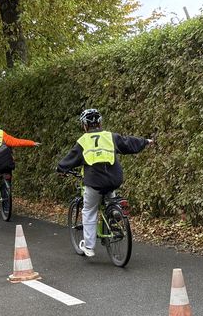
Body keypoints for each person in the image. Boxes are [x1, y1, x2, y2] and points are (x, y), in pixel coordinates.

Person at [56, 108, 153, 258]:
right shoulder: (110, 136)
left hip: (95, 181)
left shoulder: (83, 141)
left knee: (89, 210)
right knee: (109, 198)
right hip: (114, 179)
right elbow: (128, 143)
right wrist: (145, 141)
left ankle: (89, 247)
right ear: (100, 123)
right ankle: (114, 214)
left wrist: (61, 168)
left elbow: (71, 158)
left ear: (84, 125)